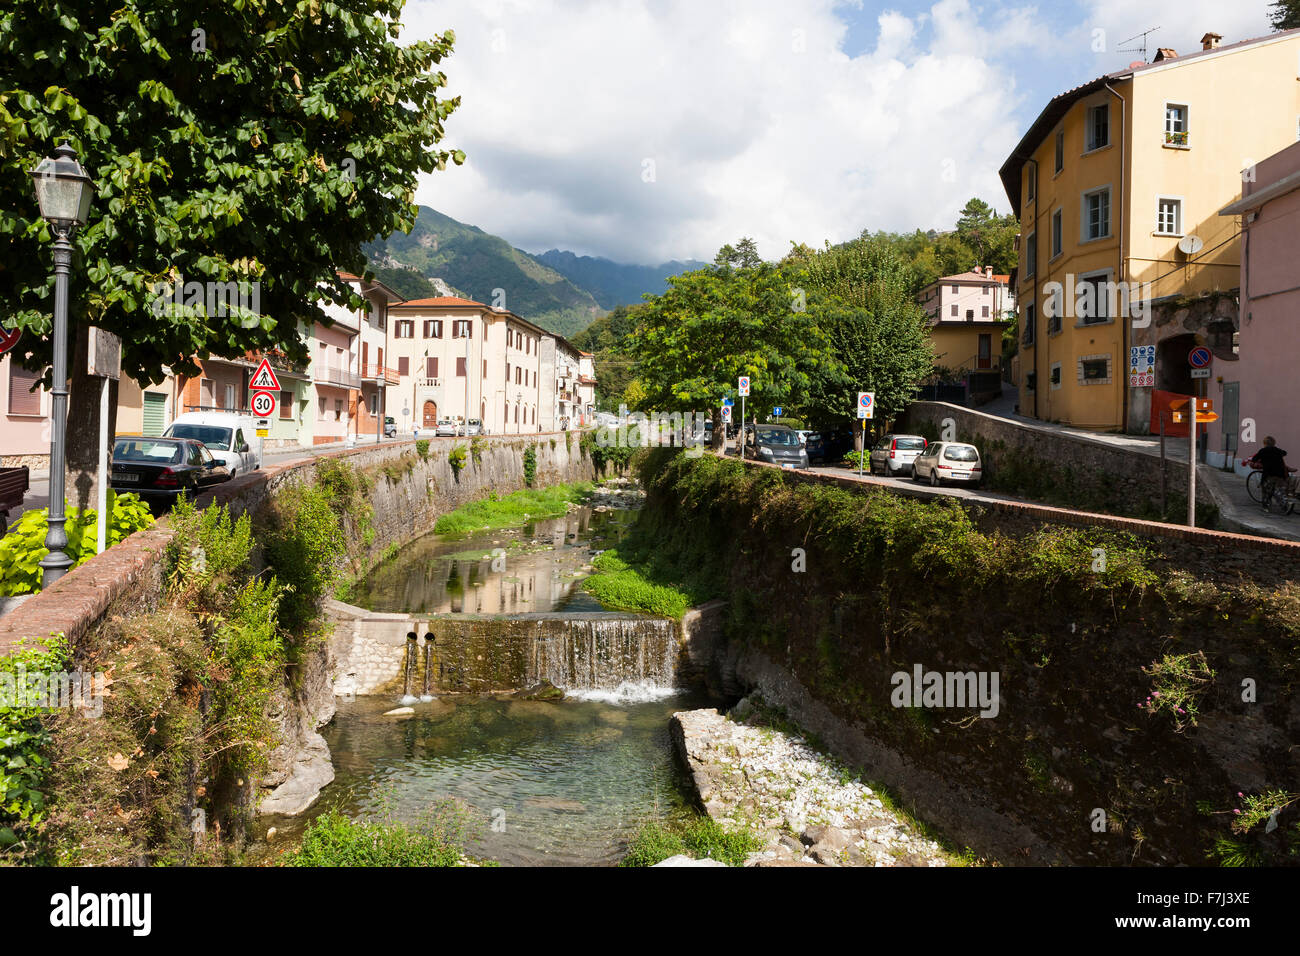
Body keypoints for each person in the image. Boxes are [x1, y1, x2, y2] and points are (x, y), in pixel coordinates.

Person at [1244, 437, 1296, 512]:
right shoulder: (1278, 450)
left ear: (1264, 443)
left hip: (1269, 473)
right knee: (1280, 490)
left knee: (1266, 490)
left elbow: (1254, 459)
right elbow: (1285, 453)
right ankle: (1285, 506)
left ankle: (1266, 507)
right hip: (1281, 474)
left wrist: (1255, 461)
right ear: (1274, 443)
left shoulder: (1263, 451)